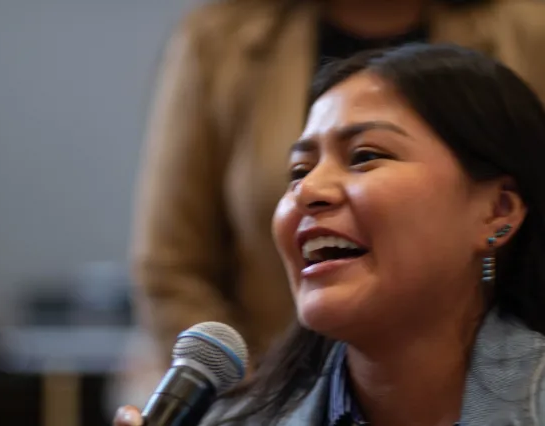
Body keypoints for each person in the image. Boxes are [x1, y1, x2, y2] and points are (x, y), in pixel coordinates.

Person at [126, 0, 545, 408]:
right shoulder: (219, 37)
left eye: (365, 156)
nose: (307, 191)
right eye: (298, 171)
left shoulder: (525, 27)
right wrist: (261, 401)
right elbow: (170, 265)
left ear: (497, 210)